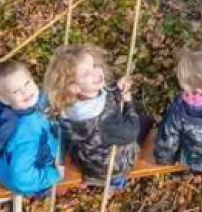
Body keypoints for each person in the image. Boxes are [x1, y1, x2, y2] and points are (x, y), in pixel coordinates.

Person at [44, 44, 146, 189]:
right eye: (87, 74)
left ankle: (96, 176)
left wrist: (117, 90)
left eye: (94, 66)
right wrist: (128, 102)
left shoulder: (68, 106)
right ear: (74, 87)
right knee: (143, 122)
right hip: (109, 167)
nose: (97, 72)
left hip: (85, 159)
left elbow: (105, 97)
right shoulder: (101, 121)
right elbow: (131, 132)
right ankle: (115, 182)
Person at [0, 60, 63, 197]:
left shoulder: (13, 109)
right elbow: (22, 179)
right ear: (4, 99)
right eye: (16, 91)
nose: (25, 92)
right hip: (28, 182)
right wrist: (52, 175)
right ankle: (44, 192)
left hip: (8, 164)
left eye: (27, 83)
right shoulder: (26, 133)